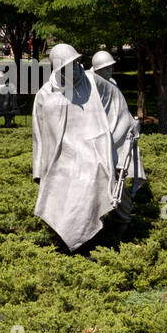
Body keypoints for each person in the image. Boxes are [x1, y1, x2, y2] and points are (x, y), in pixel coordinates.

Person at [31, 44, 116, 250]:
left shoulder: (94, 84)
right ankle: (67, 238)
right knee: (62, 186)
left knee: (91, 176)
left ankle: (88, 238)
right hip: (60, 157)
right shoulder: (45, 95)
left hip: (92, 152)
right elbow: (39, 136)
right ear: (58, 69)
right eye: (69, 66)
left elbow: (116, 103)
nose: (76, 68)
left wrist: (127, 126)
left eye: (77, 63)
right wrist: (39, 169)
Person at [90, 50, 144, 207]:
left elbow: (119, 109)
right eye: (105, 68)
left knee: (122, 170)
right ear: (97, 69)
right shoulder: (92, 84)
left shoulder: (113, 83)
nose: (109, 71)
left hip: (120, 134)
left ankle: (123, 210)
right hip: (101, 135)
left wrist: (131, 123)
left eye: (111, 67)